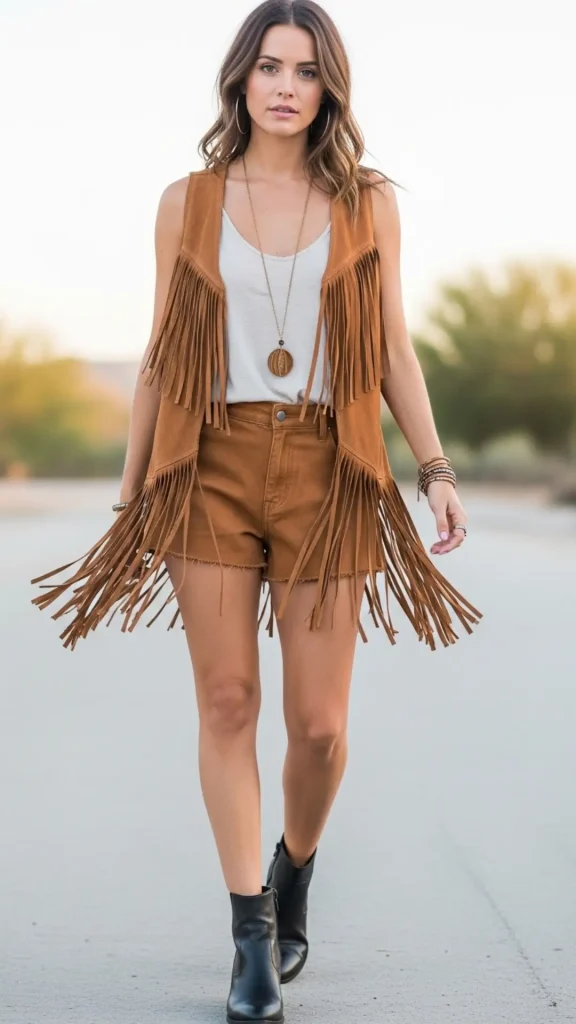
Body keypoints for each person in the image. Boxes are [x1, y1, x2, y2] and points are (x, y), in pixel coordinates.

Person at [32, 1, 482, 1021]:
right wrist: (129, 492)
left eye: (307, 70)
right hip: (211, 462)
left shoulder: (369, 203)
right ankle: (250, 939)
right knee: (229, 700)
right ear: (239, 80)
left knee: (319, 725)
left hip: (330, 465)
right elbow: (159, 350)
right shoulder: (186, 201)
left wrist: (437, 466)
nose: (286, 85)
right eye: (268, 66)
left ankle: (296, 867)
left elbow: (397, 349)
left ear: (330, 88)